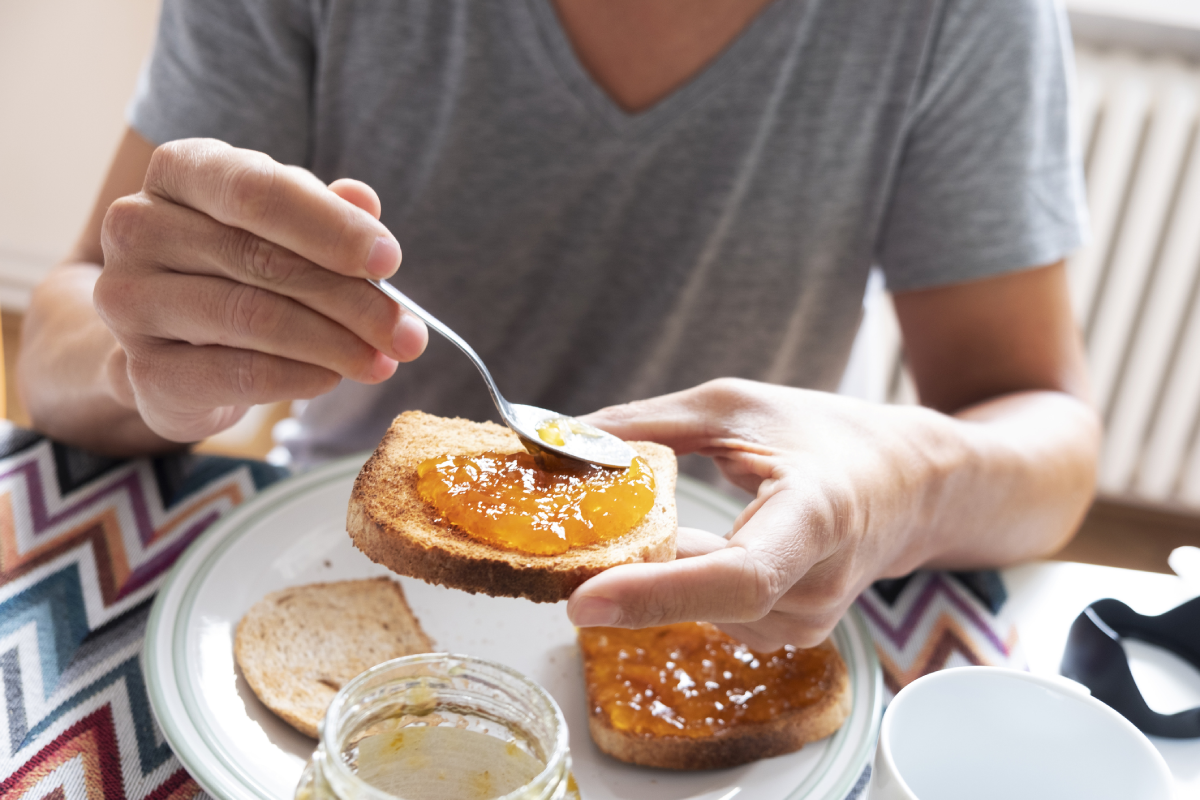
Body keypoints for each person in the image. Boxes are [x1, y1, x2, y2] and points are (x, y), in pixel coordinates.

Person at [17, 0, 1100, 650]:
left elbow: (1047, 439)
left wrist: (897, 480)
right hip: (341, 576)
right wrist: (145, 362)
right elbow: (64, 333)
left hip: (725, 603)